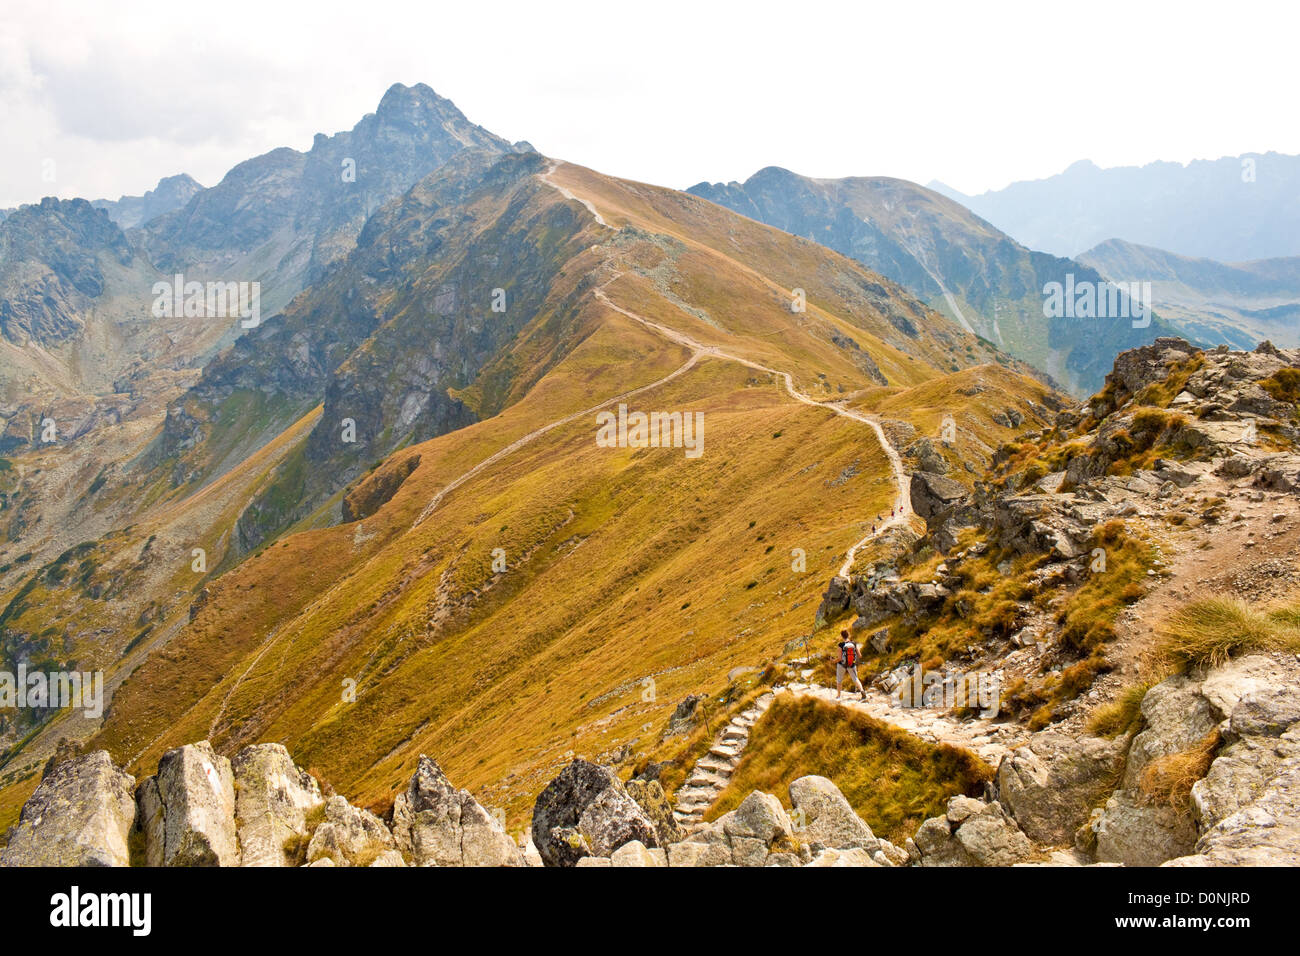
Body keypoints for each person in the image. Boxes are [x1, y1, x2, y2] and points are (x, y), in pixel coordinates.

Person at [836, 629, 866, 701]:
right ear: (848, 635)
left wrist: (833, 661)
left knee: (839, 680)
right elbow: (860, 655)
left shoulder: (841, 645)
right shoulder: (854, 644)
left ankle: (839, 696)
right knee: (855, 678)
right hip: (852, 664)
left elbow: (839, 658)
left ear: (842, 636)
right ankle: (862, 691)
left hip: (842, 665)